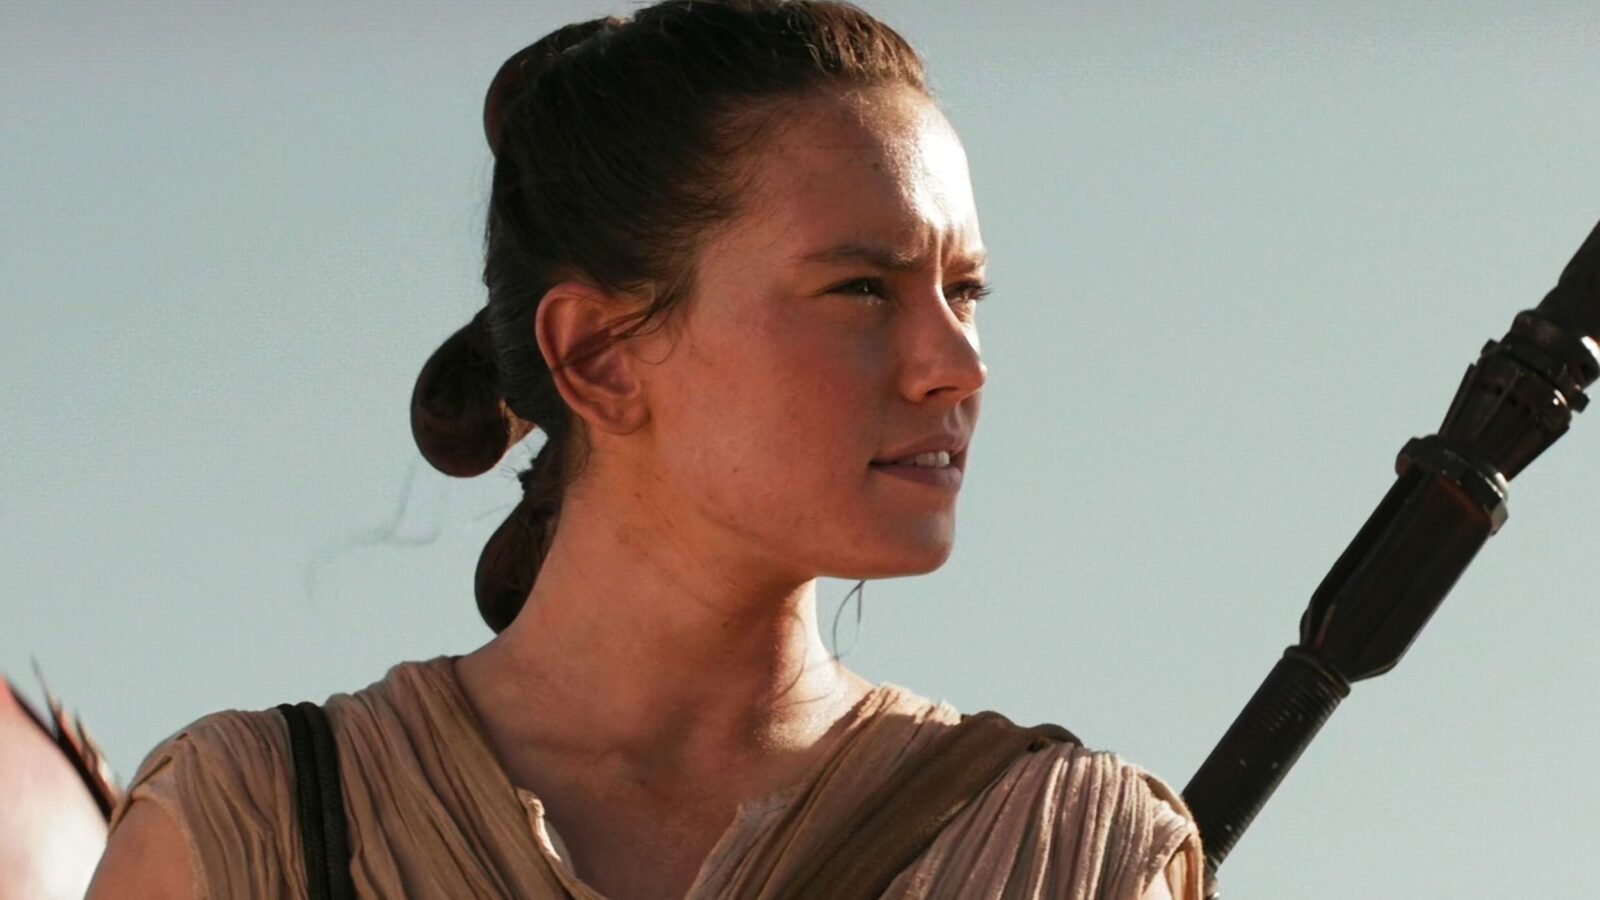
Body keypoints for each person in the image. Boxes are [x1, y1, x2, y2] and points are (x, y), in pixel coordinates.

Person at [87, 1, 1203, 897]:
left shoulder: (1075, 854)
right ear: (601, 357)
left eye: (965, 291)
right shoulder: (256, 831)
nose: (957, 364)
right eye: (863, 288)